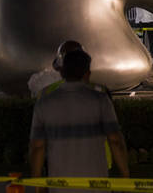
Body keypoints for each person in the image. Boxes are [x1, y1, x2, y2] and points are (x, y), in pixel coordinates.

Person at [29, 49, 129, 179]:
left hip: (60, 184)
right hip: (96, 183)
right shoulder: (101, 100)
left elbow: (37, 147)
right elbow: (115, 141)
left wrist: (38, 182)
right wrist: (125, 174)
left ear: (62, 72)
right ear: (87, 73)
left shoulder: (44, 103)